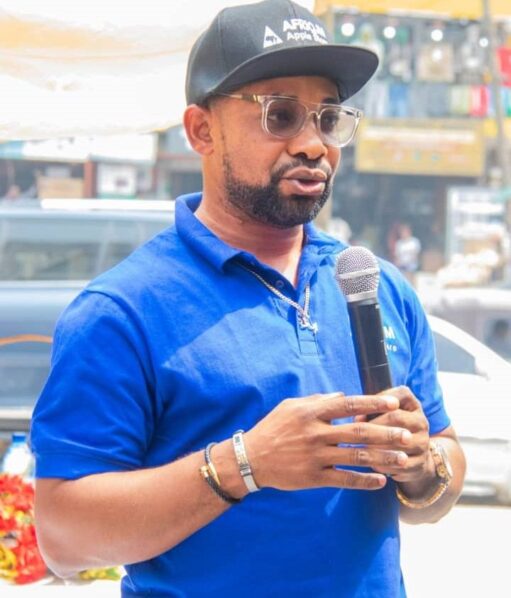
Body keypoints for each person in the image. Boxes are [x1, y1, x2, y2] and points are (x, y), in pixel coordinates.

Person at [31, 1, 466, 596]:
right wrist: (246, 464)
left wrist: (422, 466)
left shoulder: (376, 284)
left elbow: (441, 474)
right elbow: (64, 540)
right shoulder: (122, 310)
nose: (313, 145)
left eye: (329, 118)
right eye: (280, 115)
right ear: (201, 131)